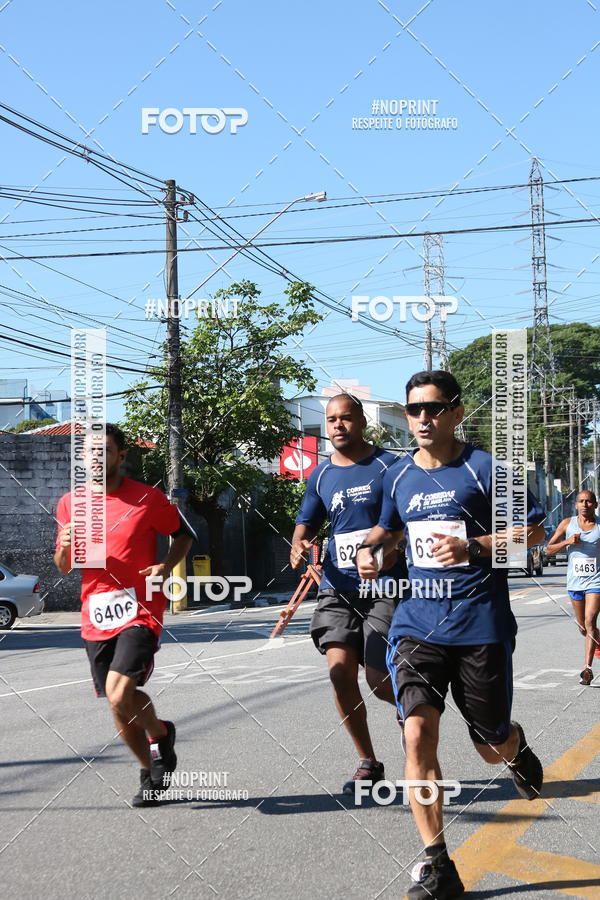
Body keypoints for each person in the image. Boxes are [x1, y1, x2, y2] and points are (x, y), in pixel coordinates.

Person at [357, 370, 545, 900]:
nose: (422, 418)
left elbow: (532, 531)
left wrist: (475, 547)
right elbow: (388, 530)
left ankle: (514, 746)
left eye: (433, 408)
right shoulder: (397, 476)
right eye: (414, 409)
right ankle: (438, 863)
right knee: (416, 733)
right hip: (417, 625)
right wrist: (372, 551)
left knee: (489, 744)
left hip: (479, 624)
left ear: (457, 413)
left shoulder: (486, 470)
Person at [54, 424, 193, 807]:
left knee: (119, 693)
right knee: (120, 698)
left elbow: (183, 536)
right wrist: (64, 548)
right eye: (91, 452)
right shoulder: (71, 503)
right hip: (95, 613)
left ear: (121, 456)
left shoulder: (148, 499)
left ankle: (151, 765)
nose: (97, 457)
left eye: (106, 450)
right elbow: (65, 567)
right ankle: (158, 742)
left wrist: (165, 566)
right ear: (83, 458)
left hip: (141, 607)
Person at [290, 393, 407, 795]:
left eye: (345, 418)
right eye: (331, 419)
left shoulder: (391, 465)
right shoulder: (321, 475)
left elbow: (411, 519)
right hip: (338, 587)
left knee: (377, 679)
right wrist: (299, 544)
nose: (337, 425)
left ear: (361, 421)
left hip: (386, 586)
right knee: (340, 672)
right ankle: (369, 762)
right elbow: (305, 522)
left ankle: (411, 704)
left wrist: (390, 549)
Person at [546, 489, 600, 685]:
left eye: (589, 501)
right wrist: (568, 541)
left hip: (596, 582)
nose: (585, 504)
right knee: (583, 628)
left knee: (590, 621)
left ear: (595, 504)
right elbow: (548, 550)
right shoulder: (567, 524)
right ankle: (596, 645)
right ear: (576, 505)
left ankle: (587, 669)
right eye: (581, 501)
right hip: (575, 583)